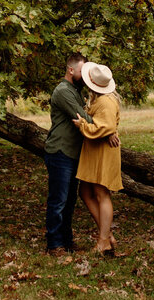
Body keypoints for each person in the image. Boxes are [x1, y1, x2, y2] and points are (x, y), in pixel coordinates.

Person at [43, 52, 119, 255]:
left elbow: (98, 116)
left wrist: (109, 128)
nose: (85, 77)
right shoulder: (63, 91)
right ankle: (54, 244)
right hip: (60, 150)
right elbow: (83, 117)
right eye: (81, 71)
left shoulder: (76, 90)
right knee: (58, 200)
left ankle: (66, 241)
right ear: (70, 70)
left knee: (69, 201)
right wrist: (108, 129)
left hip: (73, 153)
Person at [72, 61, 122, 256]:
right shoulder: (98, 99)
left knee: (101, 194)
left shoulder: (106, 101)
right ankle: (107, 234)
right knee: (85, 191)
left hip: (103, 151)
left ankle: (103, 240)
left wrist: (82, 125)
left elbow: (106, 127)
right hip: (95, 149)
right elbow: (105, 124)